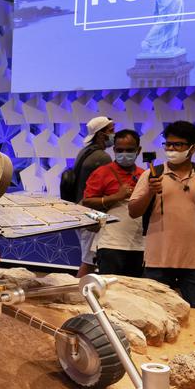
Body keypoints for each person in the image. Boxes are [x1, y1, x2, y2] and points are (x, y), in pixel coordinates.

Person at [128, 121, 195, 311]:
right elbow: (133, 212)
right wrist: (150, 191)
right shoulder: (152, 174)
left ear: (193, 148)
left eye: (178, 145)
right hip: (157, 261)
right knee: (154, 314)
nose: (171, 149)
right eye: (168, 144)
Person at [80, 129, 145, 277]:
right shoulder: (102, 172)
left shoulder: (144, 175)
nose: (124, 153)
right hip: (109, 244)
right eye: (120, 150)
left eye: (129, 150)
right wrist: (116, 196)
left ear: (138, 150)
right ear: (114, 149)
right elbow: (87, 203)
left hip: (139, 244)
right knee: (110, 290)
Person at [74, 116, 115, 277]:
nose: (114, 135)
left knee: (88, 259)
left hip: (80, 210)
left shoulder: (84, 152)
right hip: (92, 213)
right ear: (100, 134)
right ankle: (78, 295)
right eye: (111, 131)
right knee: (89, 261)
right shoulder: (102, 158)